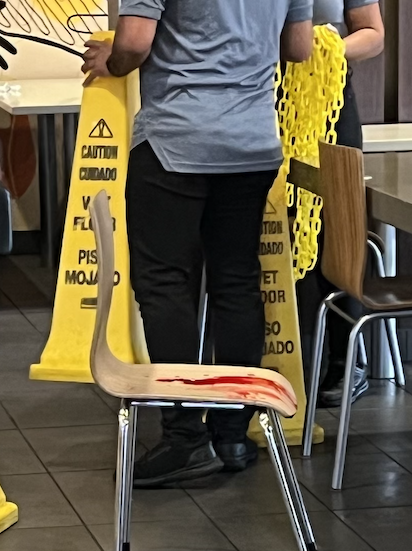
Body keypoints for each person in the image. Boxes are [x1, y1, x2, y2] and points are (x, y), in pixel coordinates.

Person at [82, 0, 314, 488]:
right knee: (236, 284)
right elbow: (298, 47)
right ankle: (232, 432)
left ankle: (185, 437)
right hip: (251, 142)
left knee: (166, 283)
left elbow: (133, 43)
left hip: (176, 140)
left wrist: (113, 63)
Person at [298, 0, 384, 408]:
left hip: (328, 101)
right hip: (259, 101)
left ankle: (345, 360)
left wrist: (322, 47)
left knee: (335, 232)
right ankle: (288, 358)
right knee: (279, 230)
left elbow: (373, 33)